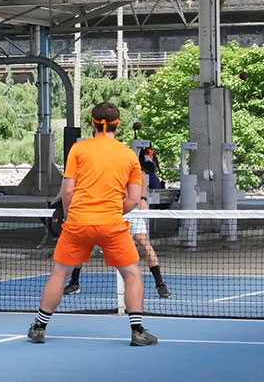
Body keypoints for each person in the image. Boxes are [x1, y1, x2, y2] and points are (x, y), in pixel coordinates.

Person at [28, 102, 157, 347]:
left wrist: (69, 216)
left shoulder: (78, 150)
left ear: (93, 123)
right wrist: (110, 211)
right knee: (131, 274)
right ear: (117, 125)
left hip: (78, 222)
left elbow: (68, 191)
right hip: (112, 224)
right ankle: (138, 331)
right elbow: (133, 198)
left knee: (59, 273)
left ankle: (39, 327)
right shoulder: (129, 156)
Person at [63, 147, 172, 299]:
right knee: (84, 244)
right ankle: (74, 283)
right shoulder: (99, 166)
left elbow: (141, 178)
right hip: (107, 211)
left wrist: (142, 198)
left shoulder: (127, 162)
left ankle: (160, 284)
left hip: (129, 210)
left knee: (143, 242)